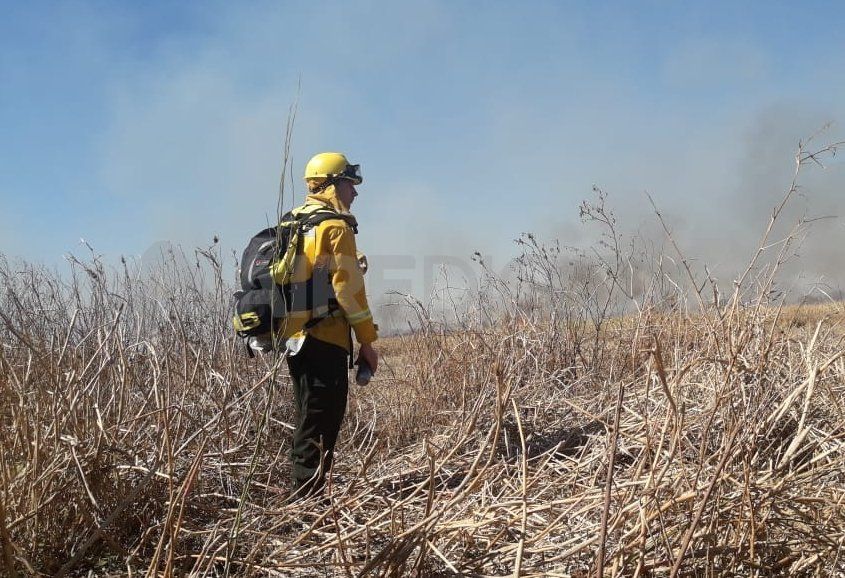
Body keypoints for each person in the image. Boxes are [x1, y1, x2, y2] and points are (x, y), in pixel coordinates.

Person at [281, 151, 379, 498]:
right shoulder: (335, 226)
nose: (354, 192)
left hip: (295, 338)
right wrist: (367, 341)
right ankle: (305, 502)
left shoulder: (293, 221)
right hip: (326, 339)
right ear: (333, 184)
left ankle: (305, 492)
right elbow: (348, 291)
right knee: (322, 420)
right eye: (350, 184)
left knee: (309, 415)